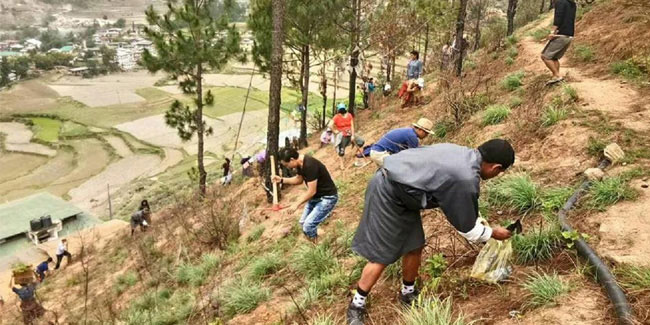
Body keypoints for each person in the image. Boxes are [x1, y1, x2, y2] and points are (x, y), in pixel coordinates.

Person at [346, 139, 516, 325]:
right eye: (500, 172)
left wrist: (481, 225)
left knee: (414, 245)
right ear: (495, 167)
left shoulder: (463, 154)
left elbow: (462, 206)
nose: (497, 175)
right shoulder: (465, 177)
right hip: (387, 192)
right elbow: (468, 230)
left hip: (403, 192)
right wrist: (492, 233)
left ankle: (408, 293)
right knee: (383, 254)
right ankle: (356, 305)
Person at [272, 147, 338, 242]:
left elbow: (311, 191)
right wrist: (281, 180)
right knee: (303, 223)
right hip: (316, 198)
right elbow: (299, 179)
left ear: (292, 159)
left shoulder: (310, 165)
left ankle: (318, 247)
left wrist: (296, 204)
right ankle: (317, 237)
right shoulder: (300, 164)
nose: (287, 167)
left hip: (327, 198)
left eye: (287, 165)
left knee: (308, 226)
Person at [364, 118, 435, 167]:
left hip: (376, 151)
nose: (426, 135)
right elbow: (414, 155)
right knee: (398, 168)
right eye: (426, 133)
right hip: (380, 153)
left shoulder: (409, 132)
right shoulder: (412, 137)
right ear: (420, 130)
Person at [541, 0, 576, 85]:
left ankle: (557, 76)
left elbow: (558, 18)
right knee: (554, 57)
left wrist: (552, 32)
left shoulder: (560, 2)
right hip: (569, 35)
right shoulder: (572, 3)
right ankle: (555, 77)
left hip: (561, 35)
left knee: (545, 56)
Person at [331, 103, 356, 170]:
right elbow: (330, 125)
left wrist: (353, 135)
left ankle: (356, 156)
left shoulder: (349, 115)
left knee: (360, 141)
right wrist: (335, 131)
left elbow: (352, 126)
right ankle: (342, 164)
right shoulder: (336, 117)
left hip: (350, 134)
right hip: (343, 135)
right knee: (341, 150)